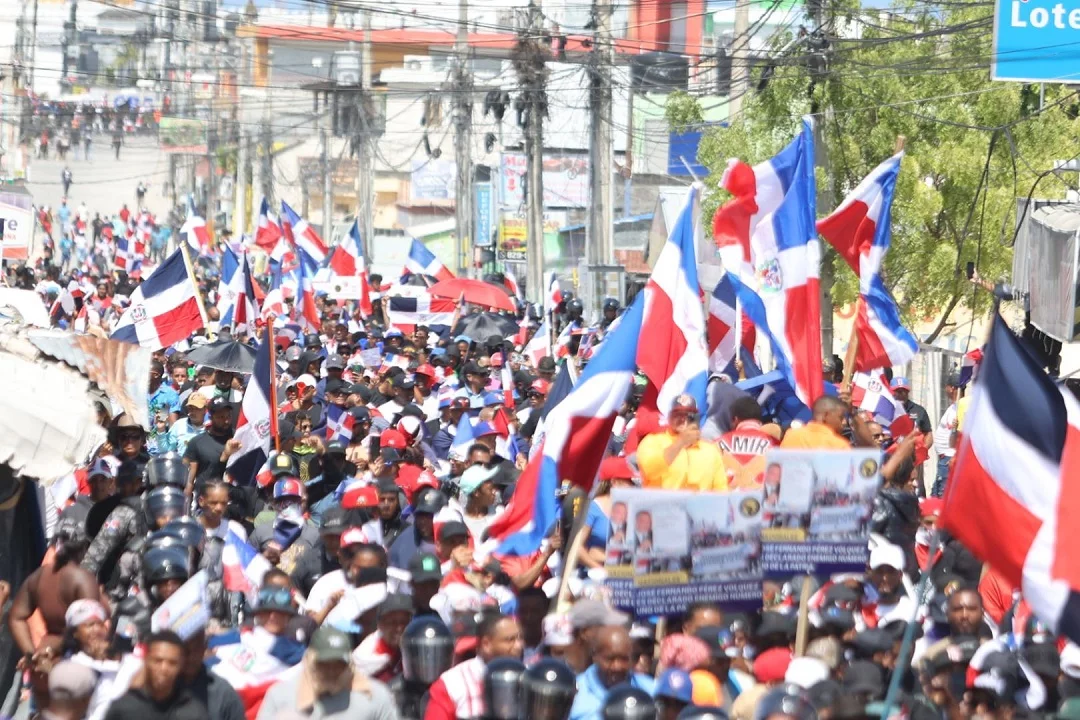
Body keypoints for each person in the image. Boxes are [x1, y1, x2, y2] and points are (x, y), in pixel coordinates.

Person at [257, 626, 399, 720]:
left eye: (339, 665)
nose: (331, 671)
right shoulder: (281, 696)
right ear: (309, 661)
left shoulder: (375, 696)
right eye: (324, 664)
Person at [9, 519, 101, 661]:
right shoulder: (83, 579)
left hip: (45, 663)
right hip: (73, 663)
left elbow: (16, 618)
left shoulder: (38, 576)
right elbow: (90, 629)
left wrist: (32, 656)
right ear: (83, 547)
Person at [424, 613, 524, 720]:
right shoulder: (452, 683)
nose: (519, 646)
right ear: (486, 644)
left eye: (520, 638)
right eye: (510, 640)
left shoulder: (529, 678)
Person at [103, 631, 208, 720]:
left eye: (172, 663)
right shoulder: (125, 708)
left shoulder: (193, 713)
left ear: (181, 665)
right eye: (158, 661)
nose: (164, 669)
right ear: (146, 660)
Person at [636, 394, 727, 491]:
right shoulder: (652, 441)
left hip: (698, 505)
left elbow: (721, 489)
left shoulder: (710, 450)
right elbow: (649, 471)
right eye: (678, 414)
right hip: (662, 505)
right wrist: (681, 442)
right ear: (669, 417)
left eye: (689, 415)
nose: (683, 419)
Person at [569, 625, 655, 720]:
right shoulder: (573, 692)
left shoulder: (650, 690)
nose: (617, 667)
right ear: (595, 656)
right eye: (610, 659)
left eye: (624, 659)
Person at [717, 397, 779, 489]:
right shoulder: (774, 443)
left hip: (727, 500)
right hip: (764, 499)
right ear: (759, 419)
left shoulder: (717, 443)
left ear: (735, 419)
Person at [183, 397, 240, 490]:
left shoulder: (238, 438)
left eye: (228, 416)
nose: (226, 421)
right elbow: (189, 480)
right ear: (210, 417)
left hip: (235, 496)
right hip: (207, 496)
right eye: (221, 417)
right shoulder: (197, 442)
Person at [932, 374, 961, 498]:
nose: (945, 389)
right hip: (944, 459)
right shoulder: (953, 407)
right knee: (935, 494)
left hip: (948, 459)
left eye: (947, 386)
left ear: (951, 388)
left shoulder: (959, 408)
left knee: (941, 496)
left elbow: (958, 432)